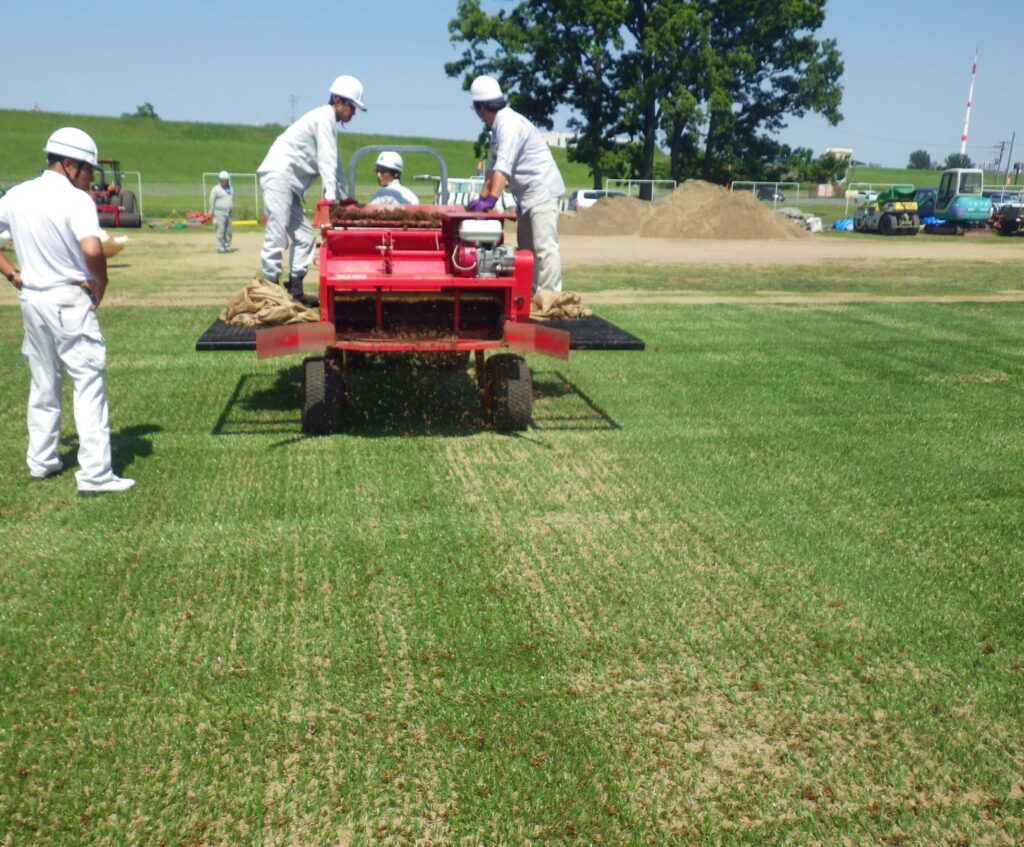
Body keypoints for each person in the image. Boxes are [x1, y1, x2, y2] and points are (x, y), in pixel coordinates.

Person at [0, 128, 135, 496]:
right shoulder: (76, 201)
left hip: (33, 299)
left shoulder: (16, 195)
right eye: (88, 168)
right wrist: (101, 281)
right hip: (68, 300)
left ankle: (41, 460)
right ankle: (95, 474)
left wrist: (12, 273)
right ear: (70, 164)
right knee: (88, 382)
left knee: (43, 381)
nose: (91, 177)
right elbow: (92, 249)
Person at [257, 75, 366, 301]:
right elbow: (327, 159)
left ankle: (295, 291)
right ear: (337, 100)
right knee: (276, 233)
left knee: (305, 237)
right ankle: (268, 290)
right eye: (352, 107)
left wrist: (345, 200)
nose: (353, 113)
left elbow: (335, 166)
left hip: (291, 185)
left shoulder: (327, 122)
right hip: (278, 176)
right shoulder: (323, 117)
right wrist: (330, 200)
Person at [466, 75, 565, 294]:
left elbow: (503, 166)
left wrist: (491, 199)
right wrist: (482, 198)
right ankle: (529, 294)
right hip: (527, 193)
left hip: (541, 189)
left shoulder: (508, 124)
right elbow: (492, 169)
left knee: (544, 246)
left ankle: (551, 295)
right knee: (527, 249)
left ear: (480, 108)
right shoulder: (497, 127)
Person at [209, 170, 234, 252]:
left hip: (229, 213)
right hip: (219, 213)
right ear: (219, 180)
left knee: (229, 231)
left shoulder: (230, 188)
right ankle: (220, 247)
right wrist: (211, 212)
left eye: (225, 180)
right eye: (222, 180)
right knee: (221, 230)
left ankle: (226, 245)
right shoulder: (215, 189)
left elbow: (231, 199)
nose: (224, 182)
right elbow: (211, 200)